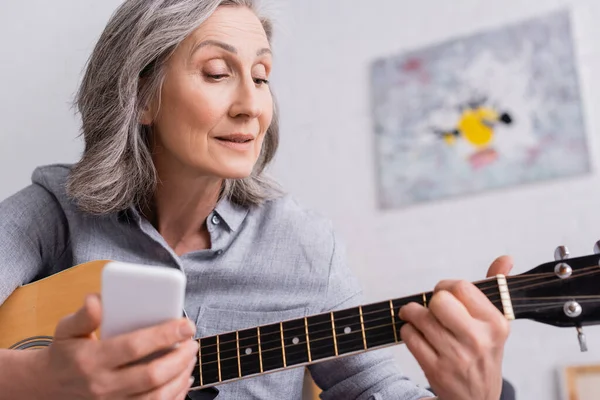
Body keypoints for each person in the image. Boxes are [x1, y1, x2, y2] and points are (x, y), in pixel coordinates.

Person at [0, 0, 512, 399]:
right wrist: (37, 379)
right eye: (218, 73)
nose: (251, 106)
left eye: (262, 77)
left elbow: (372, 389)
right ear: (142, 97)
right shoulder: (55, 212)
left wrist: (476, 397)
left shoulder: (305, 247)